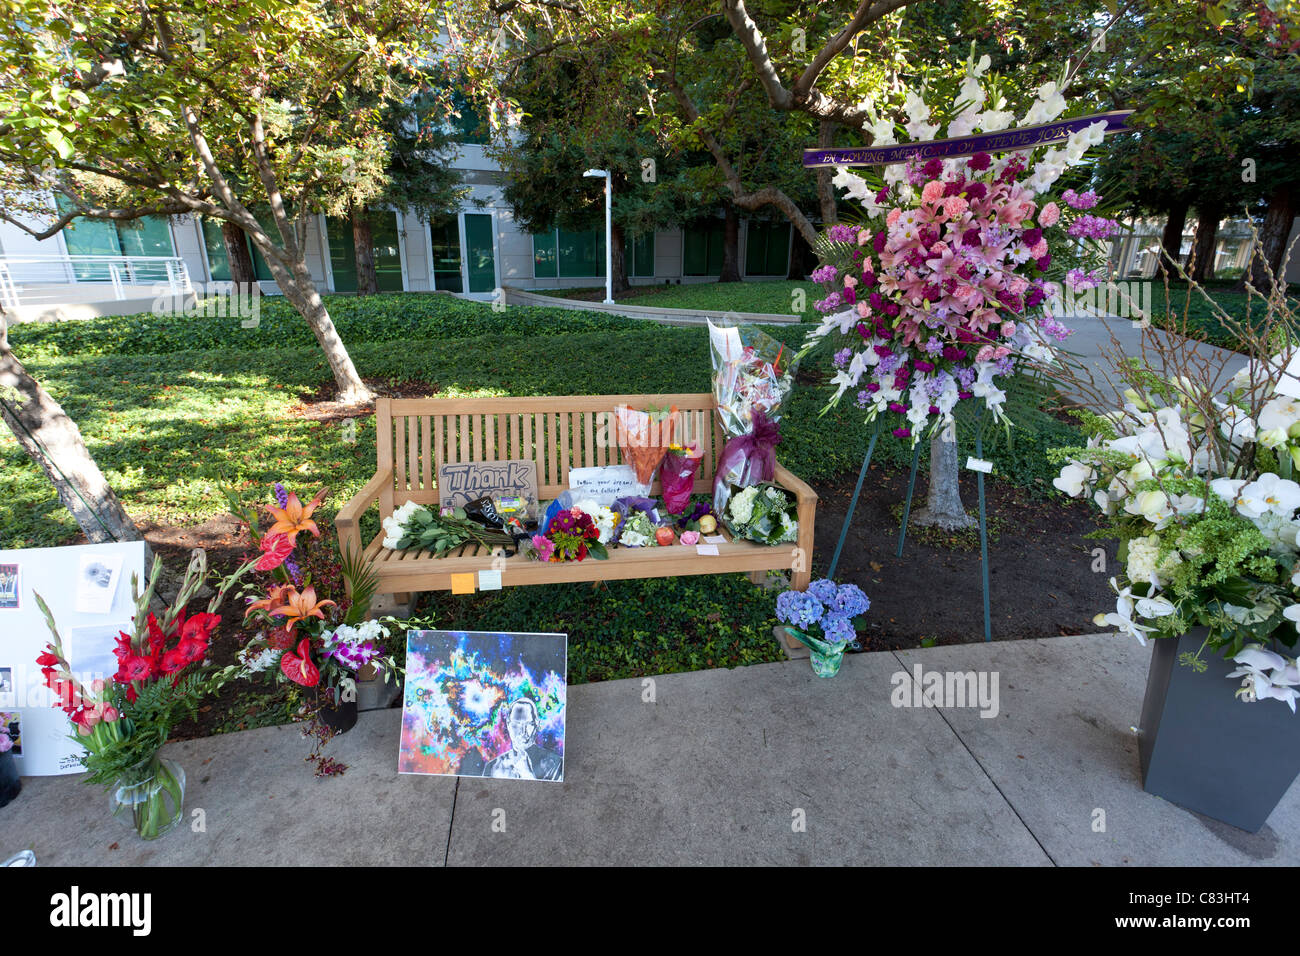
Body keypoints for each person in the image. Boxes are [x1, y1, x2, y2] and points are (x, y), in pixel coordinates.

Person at [482, 697, 562, 781]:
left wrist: (527, 774)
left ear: (536, 725)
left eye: (529, 724)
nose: (523, 731)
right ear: (508, 725)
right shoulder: (492, 767)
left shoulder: (556, 763)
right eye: (516, 724)